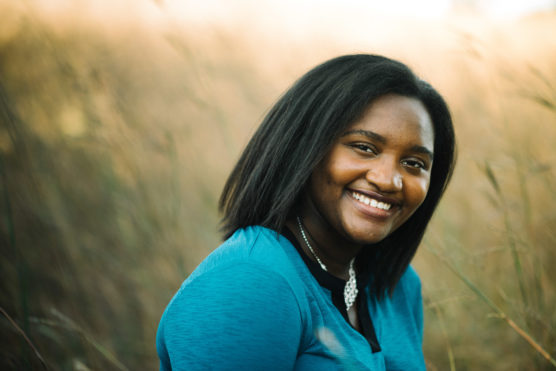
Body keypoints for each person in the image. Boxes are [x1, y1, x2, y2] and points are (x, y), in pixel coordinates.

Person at [156, 54, 456, 370]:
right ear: (306, 147)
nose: (389, 180)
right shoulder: (249, 283)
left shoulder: (396, 285)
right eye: (364, 148)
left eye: (414, 164)